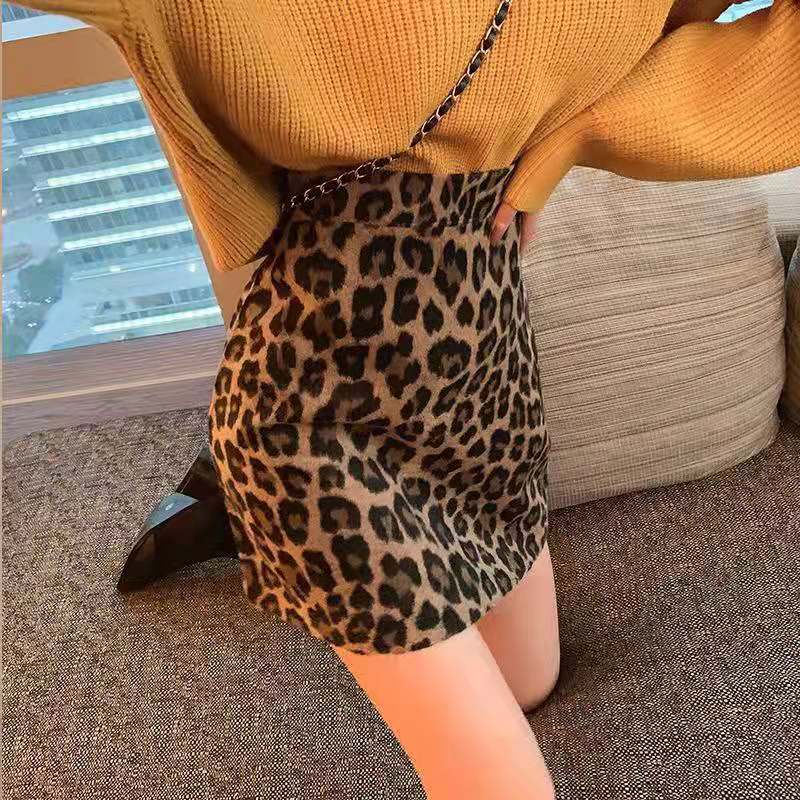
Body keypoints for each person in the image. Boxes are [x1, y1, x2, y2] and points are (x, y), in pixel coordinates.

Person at [18, 1, 799, 797]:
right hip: (313, 415)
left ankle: (226, 509)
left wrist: (581, 135)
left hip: (486, 375)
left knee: (529, 682)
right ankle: (259, 504)